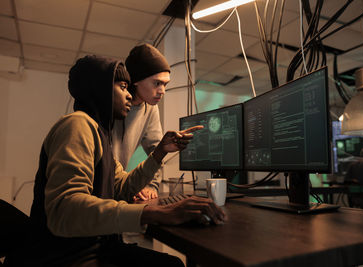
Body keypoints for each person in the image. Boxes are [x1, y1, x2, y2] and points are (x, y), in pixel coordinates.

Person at [6, 55, 226, 266]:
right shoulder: (77, 125)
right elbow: (66, 208)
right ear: (100, 89)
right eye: (122, 87)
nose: (129, 94)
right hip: (64, 257)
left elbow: (122, 187)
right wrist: (157, 212)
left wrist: (159, 152)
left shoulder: (101, 136)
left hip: (93, 246)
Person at [113, 43, 170, 201]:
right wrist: (129, 184)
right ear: (136, 80)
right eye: (157, 83)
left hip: (119, 186)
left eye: (165, 84)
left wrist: (151, 185)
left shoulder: (150, 108)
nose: (162, 91)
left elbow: (156, 150)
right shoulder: (114, 104)